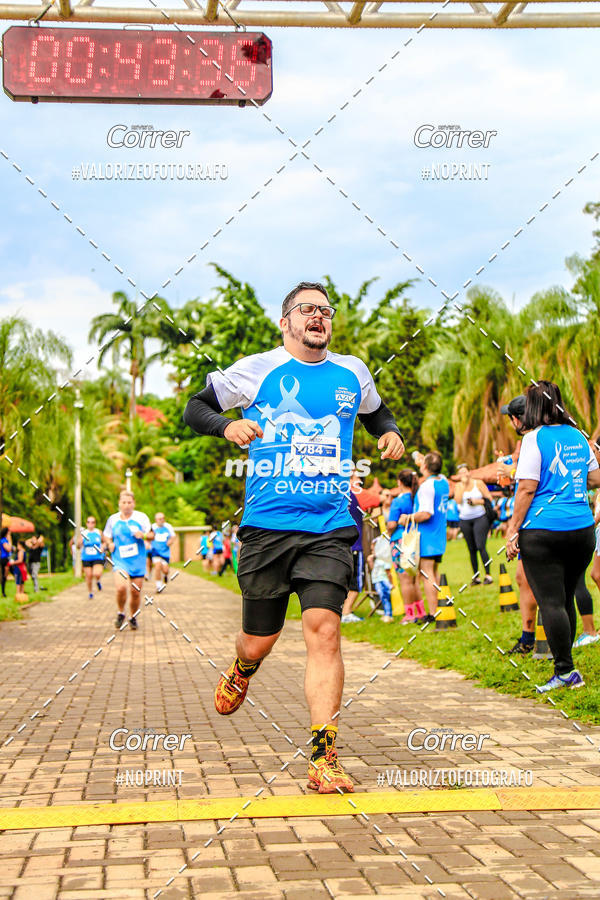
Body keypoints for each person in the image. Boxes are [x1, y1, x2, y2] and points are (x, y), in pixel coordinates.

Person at [183, 280, 404, 794]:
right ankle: (242, 667)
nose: (317, 317)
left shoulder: (353, 371)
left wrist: (387, 433)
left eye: (325, 310)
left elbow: (375, 412)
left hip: (329, 526)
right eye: (306, 310)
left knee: (325, 628)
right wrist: (225, 428)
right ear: (285, 322)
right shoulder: (256, 370)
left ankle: (323, 758)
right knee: (261, 639)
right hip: (267, 526)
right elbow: (195, 407)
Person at [506, 381, 600, 692]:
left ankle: (565, 670)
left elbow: (527, 488)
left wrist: (512, 529)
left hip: (544, 530)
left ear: (532, 408)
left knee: (550, 601)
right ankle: (566, 663)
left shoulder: (534, 439)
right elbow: (595, 478)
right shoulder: (577, 435)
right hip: (582, 529)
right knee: (567, 595)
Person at [397, 452, 449, 621]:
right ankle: (440, 608)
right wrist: (423, 460)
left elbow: (426, 513)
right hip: (439, 533)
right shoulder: (443, 482)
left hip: (427, 535)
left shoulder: (426, 486)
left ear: (425, 467)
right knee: (433, 572)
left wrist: (408, 518)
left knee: (427, 574)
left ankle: (434, 613)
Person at [103, 490, 154, 631]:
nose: (126, 505)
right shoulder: (113, 519)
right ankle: (121, 613)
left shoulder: (141, 518)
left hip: (137, 561)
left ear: (134, 503)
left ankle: (133, 616)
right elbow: (106, 535)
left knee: (136, 592)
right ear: (119, 503)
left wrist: (142, 535)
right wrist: (109, 543)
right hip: (120, 560)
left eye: (129, 502)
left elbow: (151, 535)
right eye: (124, 502)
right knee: (120, 588)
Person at [388, 469, 424, 624]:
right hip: (415, 540)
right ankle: (421, 612)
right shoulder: (416, 498)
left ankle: (410, 615)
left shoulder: (398, 501)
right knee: (414, 579)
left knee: (404, 580)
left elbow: (391, 524)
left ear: (399, 482)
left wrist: (389, 533)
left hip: (399, 540)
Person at [454, 464, 494, 585]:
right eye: (461, 473)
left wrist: (477, 501)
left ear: (469, 472)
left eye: (465, 472)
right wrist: (463, 485)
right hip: (465, 519)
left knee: (481, 545)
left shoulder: (479, 483)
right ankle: (476, 577)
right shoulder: (458, 486)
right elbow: (457, 500)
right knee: (471, 549)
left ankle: (488, 575)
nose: (463, 475)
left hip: (480, 517)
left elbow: (489, 498)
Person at [340, 480, 365, 624]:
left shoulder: (335, 493)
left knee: (343, 580)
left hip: (340, 544)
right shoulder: (355, 494)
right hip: (355, 545)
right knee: (356, 582)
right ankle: (347, 612)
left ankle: (342, 610)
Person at [367, 534, 393, 623]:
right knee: (383, 598)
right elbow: (374, 570)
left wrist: (391, 583)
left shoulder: (383, 560)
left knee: (385, 598)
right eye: (372, 550)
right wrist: (370, 561)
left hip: (383, 581)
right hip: (377, 581)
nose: (373, 551)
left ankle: (388, 615)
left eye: (374, 549)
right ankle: (387, 614)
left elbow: (389, 573)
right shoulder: (377, 560)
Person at [77, 517, 105, 599]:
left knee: (97, 573)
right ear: (86, 523)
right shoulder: (83, 533)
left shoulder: (98, 532)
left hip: (98, 557)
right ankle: (90, 592)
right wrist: (80, 542)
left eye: (92, 522)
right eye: (89, 522)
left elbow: (104, 542)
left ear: (95, 523)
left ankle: (98, 581)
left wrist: (102, 548)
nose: (90, 524)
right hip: (86, 558)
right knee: (88, 575)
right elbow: (78, 547)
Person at [150, 512, 176, 591]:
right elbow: (148, 536)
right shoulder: (152, 527)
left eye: (163, 518)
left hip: (165, 552)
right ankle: (158, 586)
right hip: (156, 551)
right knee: (157, 567)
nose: (161, 520)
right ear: (156, 520)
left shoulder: (168, 526)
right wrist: (148, 544)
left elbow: (173, 536)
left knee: (165, 570)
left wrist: (170, 541)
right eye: (159, 519)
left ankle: (165, 575)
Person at [1, 527, 12, 598]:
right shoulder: (4, 540)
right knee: (4, 576)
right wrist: (10, 540)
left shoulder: (4, 540)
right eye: (9, 532)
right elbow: (8, 549)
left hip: (6, 559)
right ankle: (3, 592)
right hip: (4, 559)